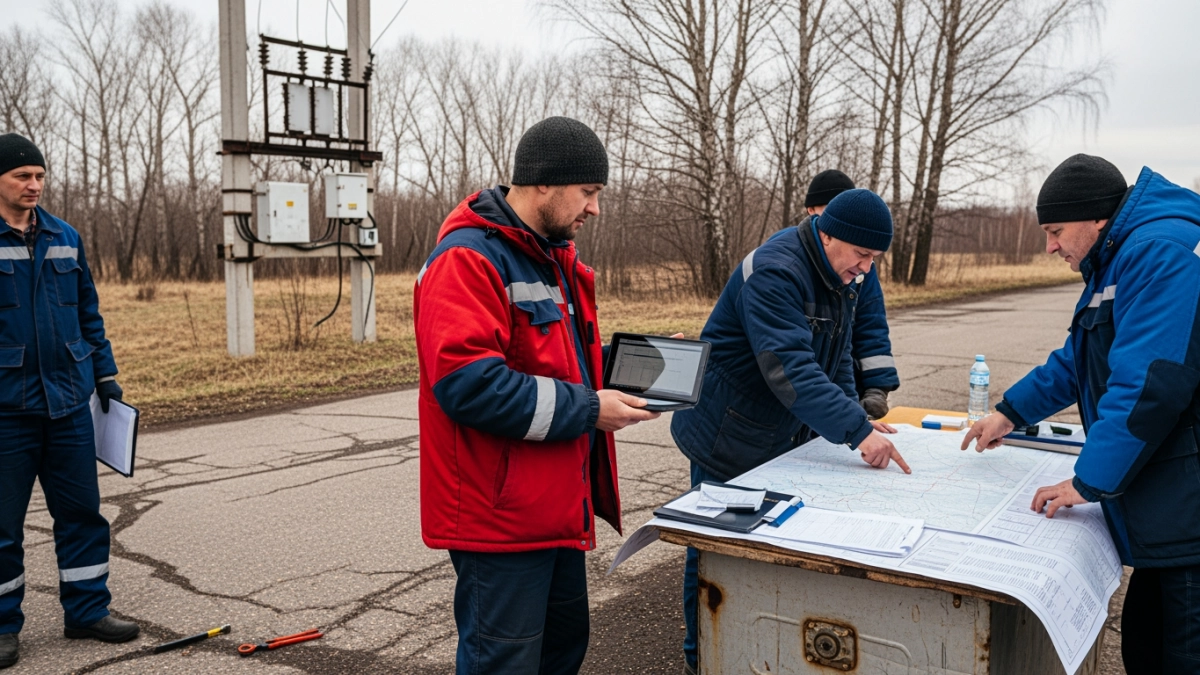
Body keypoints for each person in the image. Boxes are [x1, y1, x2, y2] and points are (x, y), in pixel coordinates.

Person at [414, 117, 659, 675]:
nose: (595, 208)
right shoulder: (467, 259)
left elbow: (559, 364)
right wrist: (592, 408)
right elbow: (469, 385)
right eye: (588, 193)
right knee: (504, 663)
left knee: (560, 652)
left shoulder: (548, 256)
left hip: (554, 506)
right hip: (498, 518)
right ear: (544, 183)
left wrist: (629, 382)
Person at [963, 154, 1200, 675]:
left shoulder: (1157, 255)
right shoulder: (1116, 260)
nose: (1050, 246)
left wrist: (1087, 482)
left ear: (1097, 218)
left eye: (1056, 231)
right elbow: (1078, 360)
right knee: (1144, 645)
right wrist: (1008, 412)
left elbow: (1148, 386)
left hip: (1188, 506)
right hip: (1168, 497)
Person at [671, 187, 911, 674]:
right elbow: (792, 370)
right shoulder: (776, 271)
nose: (867, 267)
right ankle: (702, 659)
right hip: (729, 435)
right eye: (862, 255)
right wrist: (857, 433)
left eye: (875, 258)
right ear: (827, 235)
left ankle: (756, 647)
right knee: (716, 550)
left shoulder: (844, 273)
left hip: (780, 435)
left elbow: (837, 354)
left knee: (770, 547)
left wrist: (855, 413)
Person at [0, 133, 139, 670]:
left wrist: (104, 375)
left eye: (39, 175)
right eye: (21, 176)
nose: (34, 185)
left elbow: (89, 313)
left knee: (82, 514)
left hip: (68, 405)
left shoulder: (64, 236)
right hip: (7, 409)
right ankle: (3, 627)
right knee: (2, 524)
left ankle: (87, 611)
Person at [801, 170, 899, 419]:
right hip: (807, 392)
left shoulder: (863, 267)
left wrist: (878, 387)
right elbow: (790, 360)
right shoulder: (791, 266)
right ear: (811, 211)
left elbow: (871, 324)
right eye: (830, 208)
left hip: (845, 387)